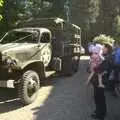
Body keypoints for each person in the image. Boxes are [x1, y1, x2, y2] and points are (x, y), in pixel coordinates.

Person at [90, 44, 113, 120]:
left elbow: (100, 69)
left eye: (103, 48)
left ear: (107, 49)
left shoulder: (108, 58)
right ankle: (99, 112)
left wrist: (94, 69)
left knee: (99, 98)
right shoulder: (107, 57)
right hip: (100, 80)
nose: (102, 49)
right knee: (99, 97)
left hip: (101, 81)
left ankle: (100, 115)